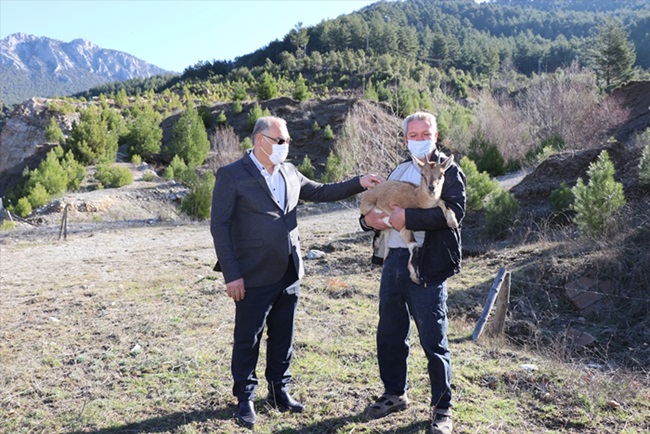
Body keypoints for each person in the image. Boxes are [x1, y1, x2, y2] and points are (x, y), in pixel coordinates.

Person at [210, 115, 382, 429]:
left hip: (289, 269)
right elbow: (219, 226)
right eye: (280, 141)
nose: (286, 146)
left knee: (283, 335)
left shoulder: (289, 172)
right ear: (260, 140)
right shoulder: (232, 175)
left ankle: (279, 390)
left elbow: (323, 191)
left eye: (288, 141)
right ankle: (245, 397)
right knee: (247, 338)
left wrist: (360, 182)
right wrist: (231, 274)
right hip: (251, 273)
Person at [360, 111, 466, 434]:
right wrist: (368, 222)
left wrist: (408, 218)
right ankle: (395, 393)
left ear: (436, 135)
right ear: (405, 138)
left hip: (428, 263)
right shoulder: (400, 170)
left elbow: (453, 214)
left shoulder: (448, 171)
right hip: (394, 259)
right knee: (390, 331)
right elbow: (374, 211)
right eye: (413, 134)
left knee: (433, 337)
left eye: (426, 133)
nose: (419, 139)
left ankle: (442, 409)